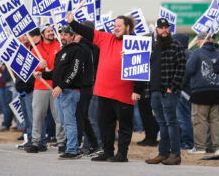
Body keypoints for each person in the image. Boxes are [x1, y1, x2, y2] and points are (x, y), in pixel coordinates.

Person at [66, 13, 142, 162]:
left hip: (124, 93)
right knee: (105, 124)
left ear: (128, 27)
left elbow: (142, 68)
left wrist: (138, 89)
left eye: (119, 26)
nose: (116, 28)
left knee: (125, 126)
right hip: (104, 91)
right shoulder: (106, 38)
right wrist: (72, 22)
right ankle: (108, 151)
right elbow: (87, 32)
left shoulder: (135, 43)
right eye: (114, 26)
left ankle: (122, 154)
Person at [39, 25, 84, 159]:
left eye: (66, 34)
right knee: (64, 122)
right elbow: (56, 74)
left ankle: (72, 150)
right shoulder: (61, 52)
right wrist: (41, 75)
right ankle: (73, 148)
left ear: (72, 36)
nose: (63, 37)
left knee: (69, 122)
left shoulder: (77, 50)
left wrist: (62, 86)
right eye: (62, 34)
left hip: (69, 91)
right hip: (60, 92)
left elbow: (74, 71)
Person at [145, 18, 186, 165]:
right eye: (161, 27)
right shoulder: (154, 46)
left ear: (169, 29)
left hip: (167, 91)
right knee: (162, 123)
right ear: (156, 30)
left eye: (166, 27)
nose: (164, 30)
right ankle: (163, 153)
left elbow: (181, 67)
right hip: (154, 90)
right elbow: (144, 63)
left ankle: (175, 154)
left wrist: (172, 87)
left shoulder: (175, 45)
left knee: (171, 122)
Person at [25, 24, 65, 153]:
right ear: (42, 34)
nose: (50, 33)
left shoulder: (60, 47)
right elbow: (31, 70)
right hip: (40, 86)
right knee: (37, 116)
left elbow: (63, 66)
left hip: (55, 86)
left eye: (51, 31)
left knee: (58, 116)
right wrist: (39, 66)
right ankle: (36, 142)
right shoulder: (35, 49)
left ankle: (61, 142)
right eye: (47, 31)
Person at [186, 32, 219, 154]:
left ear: (201, 40)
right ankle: (217, 147)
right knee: (215, 121)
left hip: (200, 92)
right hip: (217, 91)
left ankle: (200, 147)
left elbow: (189, 69)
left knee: (200, 120)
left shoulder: (197, 52)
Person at [73, 23, 100, 154]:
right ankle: (93, 143)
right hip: (88, 84)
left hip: (87, 84)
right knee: (84, 117)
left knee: (83, 116)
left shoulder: (89, 46)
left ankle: (78, 144)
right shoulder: (88, 45)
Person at [173, 33, 194, 150]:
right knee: (184, 117)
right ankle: (185, 141)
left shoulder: (183, 54)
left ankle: (187, 142)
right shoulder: (191, 54)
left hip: (183, 91)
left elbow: (183, 74)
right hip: (189, 90)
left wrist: (177, 86)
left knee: (183, 118)